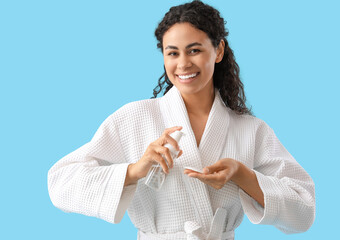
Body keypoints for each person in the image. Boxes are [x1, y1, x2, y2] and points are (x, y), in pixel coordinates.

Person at [47, 1, 315, 239]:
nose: (183, 63)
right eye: (172, 53)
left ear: (218, 50)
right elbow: (60, 183)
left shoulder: (250, 130)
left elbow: (304, 211)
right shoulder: (133, 118)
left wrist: (242, 175)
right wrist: (134, 171)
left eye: (194, 50)